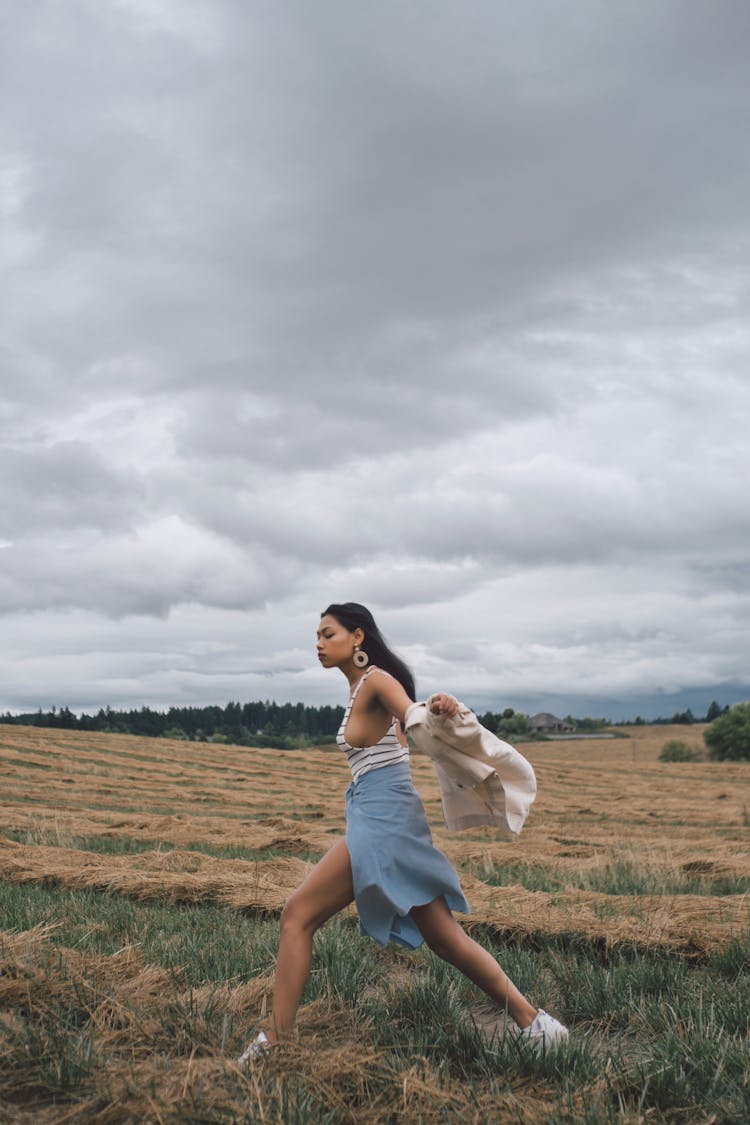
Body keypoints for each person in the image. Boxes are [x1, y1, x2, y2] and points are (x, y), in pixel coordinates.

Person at [238, 602, 568, 1063]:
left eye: (327, 634)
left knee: (297, 915)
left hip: (384, 823)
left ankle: (274, 1043)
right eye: (316, 635)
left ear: (357, 637)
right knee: (445, 938)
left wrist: (438, 707)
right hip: (383, 817)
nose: (318, 643)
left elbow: (412, 713)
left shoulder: (375, 679)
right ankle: (537, 1025)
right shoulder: (358, 688)